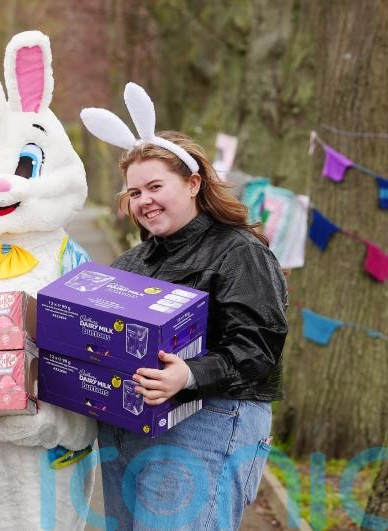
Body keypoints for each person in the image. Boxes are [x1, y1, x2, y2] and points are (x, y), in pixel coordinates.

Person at [81, 83, 287, 530]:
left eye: (155, 186)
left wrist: (189, 374)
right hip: (128, 428)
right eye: (134, 193)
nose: (144, 201)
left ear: (193, 183)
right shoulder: (130, 263)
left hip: (208, 423)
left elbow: (259, 348)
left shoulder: (239, 251)